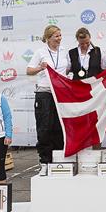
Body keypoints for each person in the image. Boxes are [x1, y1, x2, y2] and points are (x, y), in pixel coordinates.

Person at [26, 25, 66, 175]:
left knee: (59, 127)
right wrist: (41, 68)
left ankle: (58, 158)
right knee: (44, 127)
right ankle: (45, 161)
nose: (59, 38)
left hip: (60, 93)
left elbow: (67, 69)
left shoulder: (63, 52)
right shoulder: (40, 52)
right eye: (56, 36)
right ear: (48, 38)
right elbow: (29, 70)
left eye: (60, 35)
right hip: (44, 93)